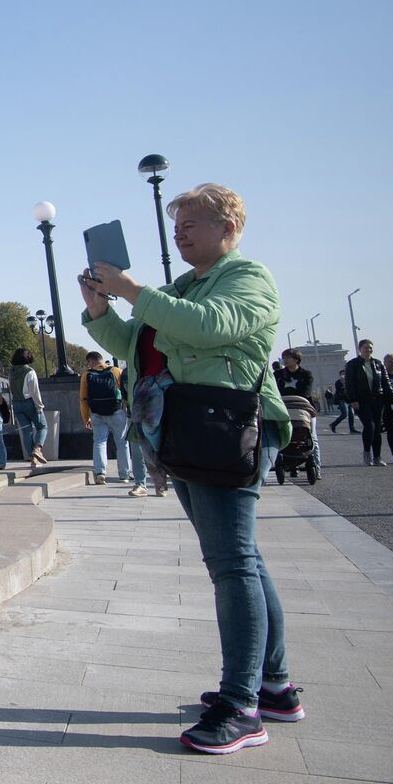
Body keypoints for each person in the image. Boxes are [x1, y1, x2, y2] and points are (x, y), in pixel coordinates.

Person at [79, 181, 298, 754]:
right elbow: (135, 344)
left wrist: (135, 289)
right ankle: (273, 684)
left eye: (191, 224)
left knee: (232, 565)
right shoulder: (184, 285)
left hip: (227, 428)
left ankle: (242, 705)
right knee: (239, 559)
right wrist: (102, 307)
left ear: (228, 229)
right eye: (177, 226)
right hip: (189, 428)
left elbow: (206, 327)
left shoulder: (249, 278)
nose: (180, 233)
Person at [78, 351, 131, 487]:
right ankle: (124, 475)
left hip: (97, 413)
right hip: (116, 411)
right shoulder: (116, 371)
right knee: (122, 443)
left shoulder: (86, 375)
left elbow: (83, 399)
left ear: (91, 361)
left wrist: (86, 418)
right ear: (101, 360)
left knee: (100, 442)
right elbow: (125, 392)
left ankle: (100, 473)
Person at [275, 348, 321, 475]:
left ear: (296, 359)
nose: (285, 360)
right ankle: (287, 462)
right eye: (284, 358)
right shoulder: (278, 375)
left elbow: (306, 392)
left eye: (288, 357)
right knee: (282, 436)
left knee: (312, 437)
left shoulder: (306, 374)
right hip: (284, 408)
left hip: (304, 408)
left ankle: (317, 466)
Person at [344, 340, 389, 466]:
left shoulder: (378, 364)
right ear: (359, 349)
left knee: (377, 428)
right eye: (365, 348)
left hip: (377, 400)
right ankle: (367, 453)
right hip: (361, 400)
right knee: (370, 426)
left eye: (370, 348)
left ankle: (377, 457)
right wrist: (352, 399)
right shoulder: (352, 364)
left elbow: (385, 382)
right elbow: (349, 383)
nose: (368, 350)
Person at [8, 347, 47, 467]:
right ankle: (37, 449)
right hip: (29, 402)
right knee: (42, 426)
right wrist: (39, 406)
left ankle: (32, 459)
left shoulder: (11, 372)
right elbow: (34, 391)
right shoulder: (29, 371)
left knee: (26, 431)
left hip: (17, 403)